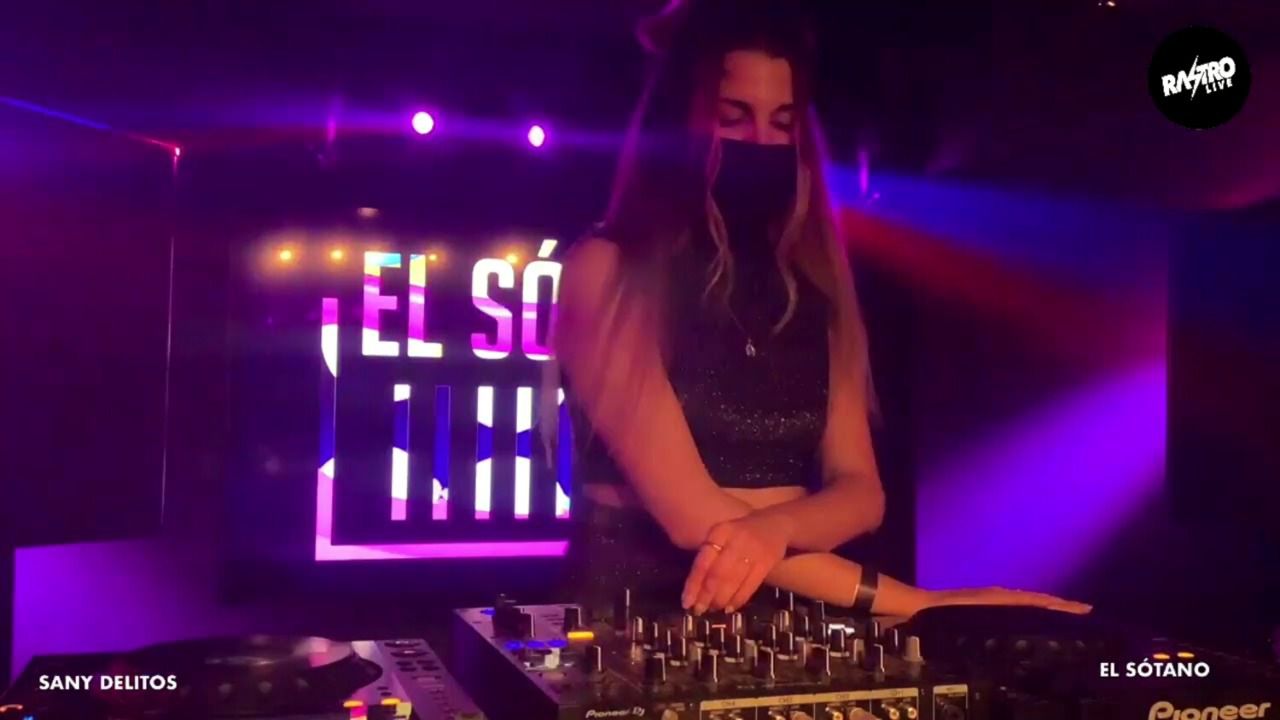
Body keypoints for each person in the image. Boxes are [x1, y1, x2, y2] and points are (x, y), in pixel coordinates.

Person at [545, 0, 1090, 620]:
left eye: (782, 123)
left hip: (791, 615)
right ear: (682, 127)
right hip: (639, 615)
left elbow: (862, 493)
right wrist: (917, 602)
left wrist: (776, 528)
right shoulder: (607, 271)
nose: (762, 143)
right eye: (734, 118)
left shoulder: (810, 287)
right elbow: (693, 517)